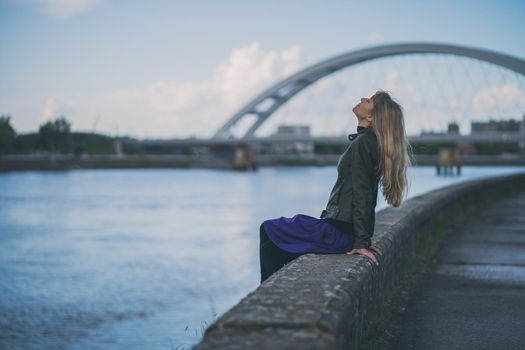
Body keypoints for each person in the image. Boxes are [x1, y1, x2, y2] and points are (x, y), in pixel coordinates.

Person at [259, 90, 412, 283]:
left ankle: (268, 294)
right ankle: (273, 289)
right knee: (276, 239)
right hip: (342, 229)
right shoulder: (368, 141)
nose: (363, 99)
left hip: (338, 233)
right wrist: (363, 238)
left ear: (372, 116)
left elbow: (362, 192)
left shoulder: (364, 142)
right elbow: (367, 192)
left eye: (370, 100)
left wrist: (362, 242)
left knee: (268, 229)